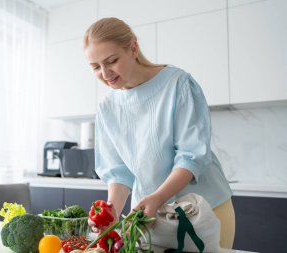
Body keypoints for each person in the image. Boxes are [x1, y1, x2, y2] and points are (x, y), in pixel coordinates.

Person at [83, 17, 235, 249]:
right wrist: (111, 211)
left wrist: (158, 197)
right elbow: (119, 172)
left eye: (112, 61)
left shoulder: (178, 83)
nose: (105, 73)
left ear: (133, 48)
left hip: (204, 211)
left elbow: (191, 155)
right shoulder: (107, 108)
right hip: (151, 218)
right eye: (95, 67)